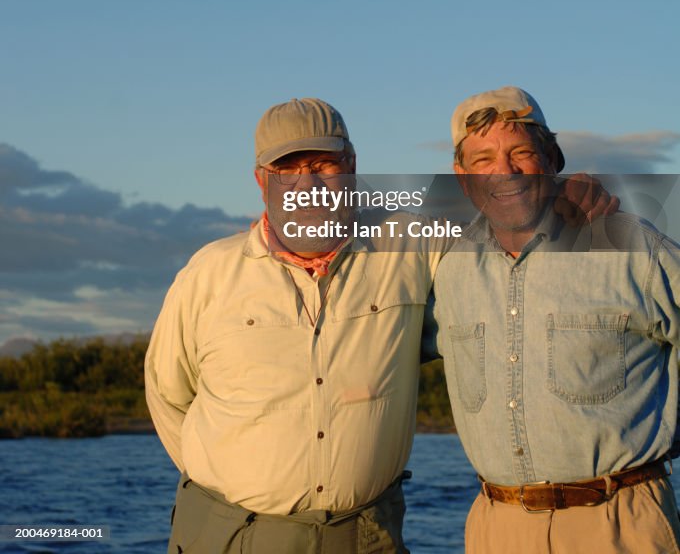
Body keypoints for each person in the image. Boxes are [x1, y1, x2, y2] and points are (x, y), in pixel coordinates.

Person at [146, 96, 618, 554]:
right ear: (260, 180)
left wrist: (563, 197)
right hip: (228, 534)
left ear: (351, 165)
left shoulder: (413, 241)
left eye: (323, 166)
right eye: (286, 171)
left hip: (366, 536)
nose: (306, 185)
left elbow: (504, 240)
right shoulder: (207, 273)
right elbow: (168, 396)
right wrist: (237, 490)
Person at [433, 85, 680, 554]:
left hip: (619, 525)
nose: (503, 171)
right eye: (482, 159)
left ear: (552, 159)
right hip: (495, 529)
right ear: (461, 178)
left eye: (521, 153)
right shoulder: (448, 269)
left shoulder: (626, 244)